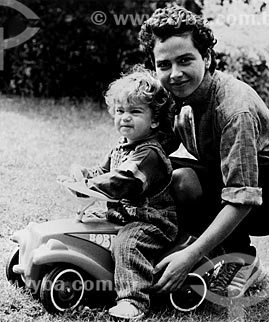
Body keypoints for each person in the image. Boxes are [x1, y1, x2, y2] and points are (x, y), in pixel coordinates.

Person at [138, 5, 269, 298]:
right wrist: (115, 177)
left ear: (208, 57)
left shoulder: (234, 109)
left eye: (185, 60)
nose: (175, 74)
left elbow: (243, 197)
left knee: (182, 180)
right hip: (222, 172)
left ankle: (241, 259)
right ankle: (166, 243)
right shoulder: (174, 95)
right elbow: (155, 149)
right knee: (161, 172)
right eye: (164, 65)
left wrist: (188, 259)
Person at [66, 67, 178, 319]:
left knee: (127, 242)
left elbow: (123, 180)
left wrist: (90, 188)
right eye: (120, 111)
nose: (125, 117)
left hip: (152, 221)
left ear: (155, 120)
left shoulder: (149, 154)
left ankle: (133, 301)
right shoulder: (122, 147)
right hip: (125, 215)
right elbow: (103, 171)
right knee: (90, 227)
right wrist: (84, 176)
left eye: (135, 112)